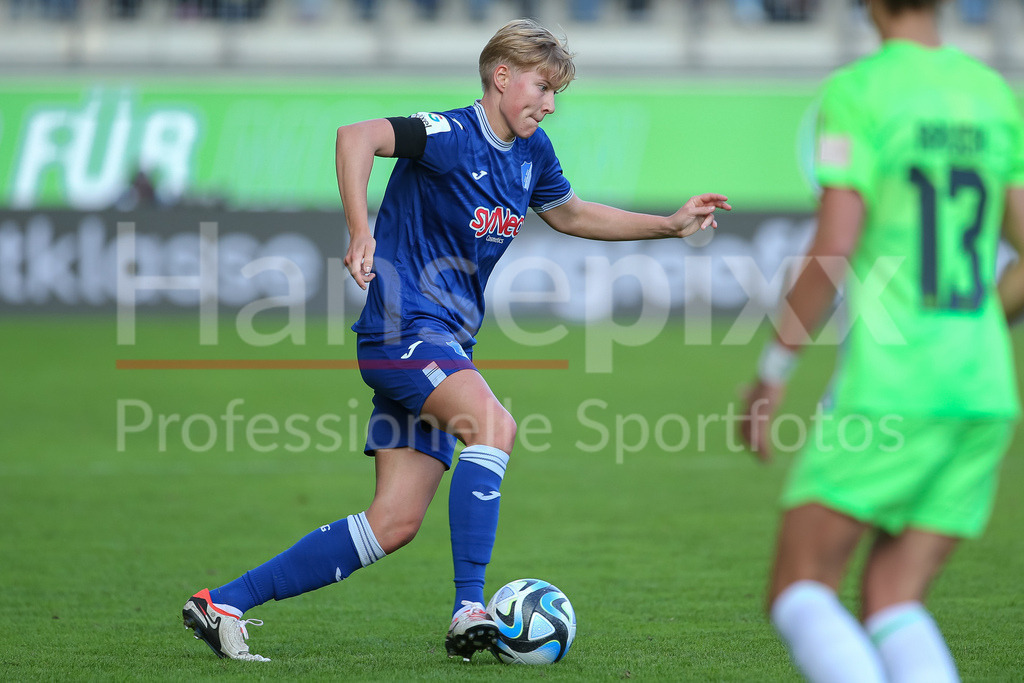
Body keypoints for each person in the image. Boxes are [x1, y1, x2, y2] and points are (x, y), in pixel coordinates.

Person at [182, 18, 730, 663]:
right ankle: (470, 605)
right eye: (542, 87)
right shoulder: (447, 134)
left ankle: (223, 603)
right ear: (501, 76)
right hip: (404, 332)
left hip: (442, 345)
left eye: (557, 94)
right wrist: (361, 232)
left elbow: (572, 214)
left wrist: (667, 225)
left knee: (392, 523)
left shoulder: (533, 153)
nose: (550, 104)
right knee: (494, 427)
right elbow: (355, 136)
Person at [739, 1, 1024, 681]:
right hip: (983, 387)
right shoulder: (992, 93)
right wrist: (982, 318)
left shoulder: (861, 91)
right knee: (893, 597)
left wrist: (774, 366)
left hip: (894, 384)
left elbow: (835, 242)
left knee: (799, 585)